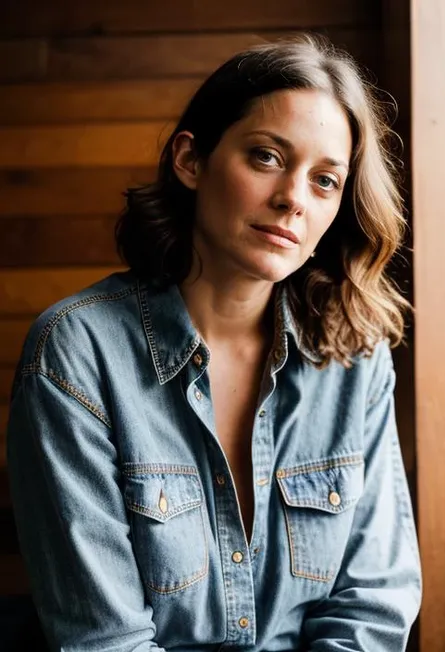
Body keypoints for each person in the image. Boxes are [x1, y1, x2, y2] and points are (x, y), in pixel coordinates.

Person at [7, 34, 421, 652]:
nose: (292, 200)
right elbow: (105, 640)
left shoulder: (354, 356)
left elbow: (373, 606)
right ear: (191, 161)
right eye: (265, 157)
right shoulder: (76, 352)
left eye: (326, 181)